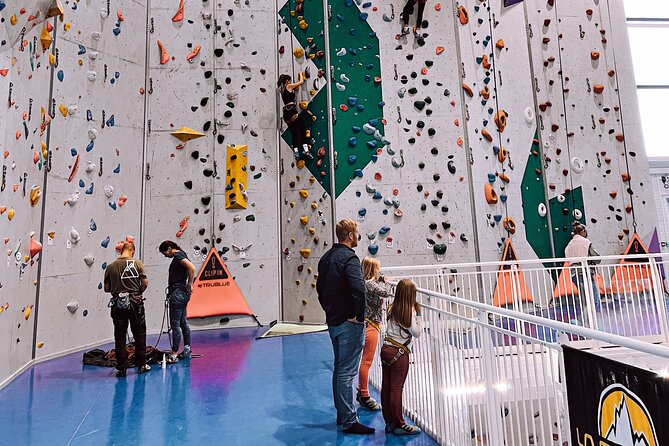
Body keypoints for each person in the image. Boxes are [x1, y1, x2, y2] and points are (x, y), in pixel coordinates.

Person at [316, 219, 374, 435]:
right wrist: (360, 317)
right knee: (346, 372)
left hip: (333, 322)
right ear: (350, 235)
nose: (358, 236)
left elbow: (319, 290)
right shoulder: (349, 258)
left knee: (340, 369)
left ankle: (343, 413)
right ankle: (349, 420)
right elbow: (359, 290)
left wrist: (330, 312)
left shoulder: (325, 258)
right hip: (349, 324)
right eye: (356, 232)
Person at [381, 279, 423, 435]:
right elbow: (417, 333)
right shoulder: (408, 312)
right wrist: (418, 314)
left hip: (386, 348)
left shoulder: (392, 307)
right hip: (399, 352)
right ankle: (400, 423)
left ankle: (389, 421)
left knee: (387, 387)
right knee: (396, 389)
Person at [104, 240, 150, 377]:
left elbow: (107, 288)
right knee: (140, 335)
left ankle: (122, 368)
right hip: (135, 303)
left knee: (120, 337)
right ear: (133, 251)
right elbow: (145, 283)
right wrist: (138, 292)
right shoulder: (137, 263)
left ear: (121, 250)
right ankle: (141, 364)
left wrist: (118, 289)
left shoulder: (111, 266)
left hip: (118, 305)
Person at [357, 257, 394, 411]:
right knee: (367, 361)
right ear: (372, 271)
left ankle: (362, 391)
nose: (380, 271)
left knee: (365, 361)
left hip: (368, 323)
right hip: (370, 325)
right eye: (378, 269)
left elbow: (379, 276)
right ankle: (364, 394)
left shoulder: (363, 281)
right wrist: (388, 282)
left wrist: (383, 276)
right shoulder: (370, 284)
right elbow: (385, 293)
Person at [159, 240, 197, 362]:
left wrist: (190, 284)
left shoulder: (178, 255)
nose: (165, 256)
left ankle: (174, 353)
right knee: (183, 322)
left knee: (175, 324)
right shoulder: (182, 254)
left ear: (170, 248)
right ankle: (186, 349)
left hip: (177, 294)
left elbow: (192, 268)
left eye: (164, 252)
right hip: (182, 294)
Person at [564, 222, 601, 308]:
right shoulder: (586, 242)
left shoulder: (569, 245)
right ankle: (595, 316)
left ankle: (585, 317)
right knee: (594, 297)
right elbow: (597, 258)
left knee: (583, 297)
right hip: (585, 272)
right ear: (583, 231)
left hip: (574, 273)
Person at [278, 72, 313, 160]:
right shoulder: (288, 86)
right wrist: (300, 73)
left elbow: (295, 89)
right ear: (287, 81)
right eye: (290, 81)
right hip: (292, 111)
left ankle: (296, 152)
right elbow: (301, 82)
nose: (290, 82)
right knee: (302, 129)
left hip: (286, 114)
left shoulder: (281, 89)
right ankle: (305, 149)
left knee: (294, 133)